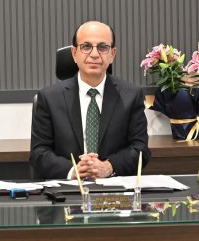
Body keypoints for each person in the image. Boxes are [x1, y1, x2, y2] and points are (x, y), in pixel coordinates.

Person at [30, 19, 150, 180]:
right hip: (68, 189)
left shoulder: (131, 96)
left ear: (112, 54)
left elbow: (140, 149)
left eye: (102, 47)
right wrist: (73, 171)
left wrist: (109, 166)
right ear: (74, 53)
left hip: (114, 189)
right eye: (86, 47)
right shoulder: (49, 98)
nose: (94, 54)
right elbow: (39, 153)